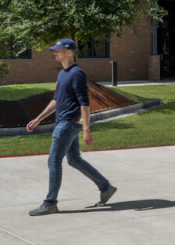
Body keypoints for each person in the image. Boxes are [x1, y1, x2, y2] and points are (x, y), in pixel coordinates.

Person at [26, 38, 115, 215]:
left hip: (69, 123)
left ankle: (50, 202)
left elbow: (85, 103)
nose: (55, 53)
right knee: (74, 160)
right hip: (65, 121)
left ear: (69, 52)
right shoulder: (63, 73)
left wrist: (86, 129)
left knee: (53, 161)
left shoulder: (76, 74)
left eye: (58, 50)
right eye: (55, 50)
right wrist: (38, 119)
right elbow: (56, 100)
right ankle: (105, 187)